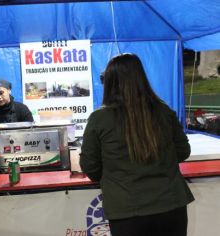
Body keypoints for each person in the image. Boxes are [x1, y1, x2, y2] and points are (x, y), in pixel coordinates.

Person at [80, 54, 194, 236]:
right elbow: (182, 151)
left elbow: (90, 167)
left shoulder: (100, 119)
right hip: (171, 206)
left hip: (127, 211)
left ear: (109, 83)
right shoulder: (163, 111)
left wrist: (117, 173)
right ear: (141, 78)